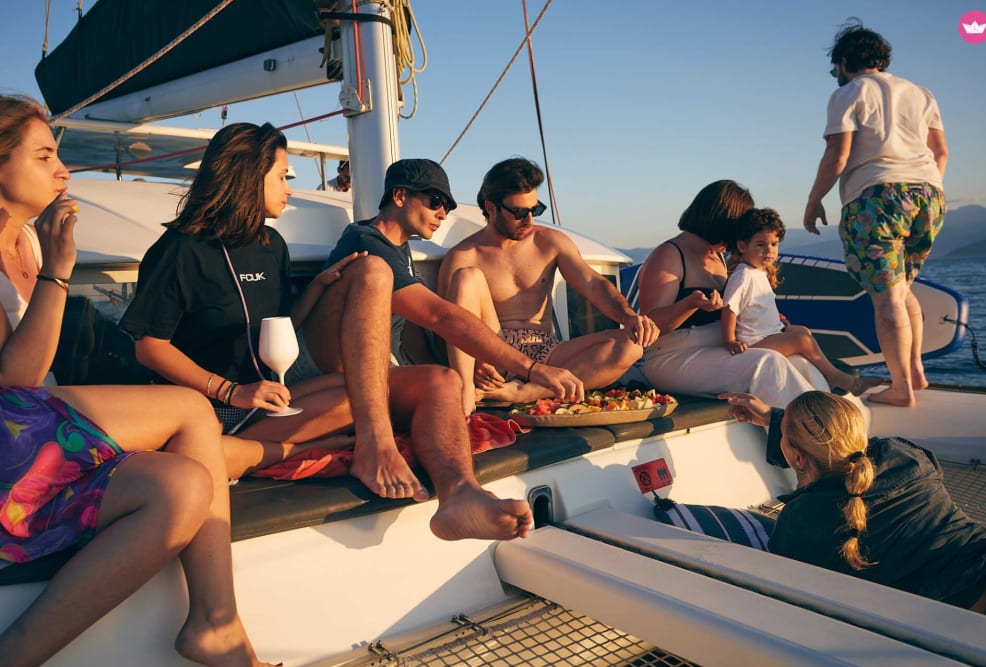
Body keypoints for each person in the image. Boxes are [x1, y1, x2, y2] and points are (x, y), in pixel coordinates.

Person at [120, 125, 531, 541]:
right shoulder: (178, 251)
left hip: (273, 398)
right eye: (282, 177)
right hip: (216, 412)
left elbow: (282, 330)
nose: (289, 190)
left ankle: (460, 497)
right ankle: (340, 447)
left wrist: (317, 288)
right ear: (246, 174)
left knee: (439, 380)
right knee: (367, 400)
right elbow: (149, 347)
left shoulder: (270, 244)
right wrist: (230, 391)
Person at [0, 94, 274, 666]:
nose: (63, 170)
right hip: (12, 439)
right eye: (44, 155)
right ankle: (216, 622)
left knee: (185, 487)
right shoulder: (39, 249)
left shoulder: (23, 239)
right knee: (191, 412)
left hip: (32, 442)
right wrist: (57, 271)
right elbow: (15, 385)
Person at [325, 158, 586, 415]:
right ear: (400, 195)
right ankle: (462, 404)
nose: (442, 213)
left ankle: (470, 396)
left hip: (392, 366)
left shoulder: (395, 244)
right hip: (354, 374)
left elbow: (410, 329)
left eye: (448, 206)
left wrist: (474, 361)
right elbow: (440, 317)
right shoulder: (367, 244)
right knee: (444, 382)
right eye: (435, 201)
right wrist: (533, 369)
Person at [720, 390, 986, 616]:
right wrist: (776, 418)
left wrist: (781, 422)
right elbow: (846, 451)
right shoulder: (906, 456)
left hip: (971, 615)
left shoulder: (798, 524)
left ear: (798, 457)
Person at [438, 157, 659, 415]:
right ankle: (469, 399)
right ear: (491, 207)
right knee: (467, 277)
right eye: (520, 213)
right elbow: (446, 326)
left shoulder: (548, 242)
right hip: (494, 355)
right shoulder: (463, 256)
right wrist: (475, 363)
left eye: (536, 210)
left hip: (546, 348)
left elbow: (592, 283)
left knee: (631, 346)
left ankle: (527, 392)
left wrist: (628, 315)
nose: (530, 221)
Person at [803, 20, 948, 408]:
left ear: (844, 61)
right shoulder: (920, 93)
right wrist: (924, 186)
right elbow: (941, 153)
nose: (834, 74)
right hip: (929, 195)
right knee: (901, 290)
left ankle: (900, 389)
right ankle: (914, 372)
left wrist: (815, 199)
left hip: (877, 197)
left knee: (886, 300)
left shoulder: (849, 92)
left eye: (835, 67)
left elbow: (839, 155)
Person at [638, 180, 828, 408]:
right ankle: (810, 435)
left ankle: (835, 423)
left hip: (721, 349)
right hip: (674, 356)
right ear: (725, 222)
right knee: (767, 363)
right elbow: (649, 324)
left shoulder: (717, 257)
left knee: (797, 360)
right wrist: (689, 304)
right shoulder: (669, 255)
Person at [722, 208, 882, 396]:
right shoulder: (742, 276)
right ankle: (839, 378)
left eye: (774, 244)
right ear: (742, 247)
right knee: (802, 341)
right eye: (761, 245)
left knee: (803, 331)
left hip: (768, 334)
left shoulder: (759, 273)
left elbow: (758, 309)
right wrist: (730, 340)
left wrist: (782, 323)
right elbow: (729, 309)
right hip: (753, 343)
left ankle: (824, 375)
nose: (769, 251)